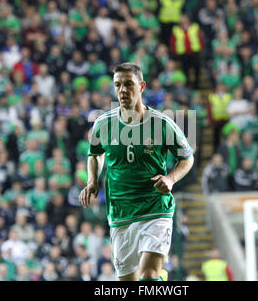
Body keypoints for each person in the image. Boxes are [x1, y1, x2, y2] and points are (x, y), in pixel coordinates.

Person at [80, 62, 194, 281]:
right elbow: (94, 153)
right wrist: (92, 181)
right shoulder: (103, 124)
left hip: (155, 208)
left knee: (148, 277)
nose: (123, 90)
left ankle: (157, 277)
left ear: (141, 86)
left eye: (128, 84)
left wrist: (170, 179)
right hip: (120, 213)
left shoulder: (161, 124)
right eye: (118, 85)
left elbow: (187, 158)